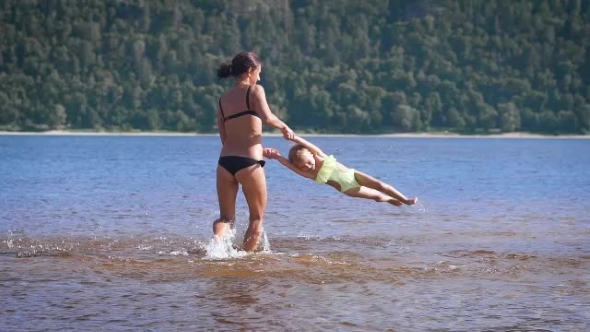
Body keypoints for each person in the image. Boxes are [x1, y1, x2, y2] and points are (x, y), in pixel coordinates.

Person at [213, 51, 294, 252]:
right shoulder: (255, 90)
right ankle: (246, 262)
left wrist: (258, 149)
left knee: (226, 219)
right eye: (258, 72)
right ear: (250, 71)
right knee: (256, 218)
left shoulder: (223, 99)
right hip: (249, 164)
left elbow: (225, 138)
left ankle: (216, 239)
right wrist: (285, 127)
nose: (259, 77)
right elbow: (267, 118)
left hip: (225, 163)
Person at [263, 135, 418, 206]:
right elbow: (291, 167)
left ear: (311, 154)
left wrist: (294, 138)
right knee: (377, 196)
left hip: (353, 174)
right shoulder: (310, 174)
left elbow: (307, 144)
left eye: (308, 163)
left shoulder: (320, 155)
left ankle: (406, 200)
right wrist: (278, 157)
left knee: (381, 185)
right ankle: (390, 200)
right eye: (303, 167)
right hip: (349, 188)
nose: (308, 167)